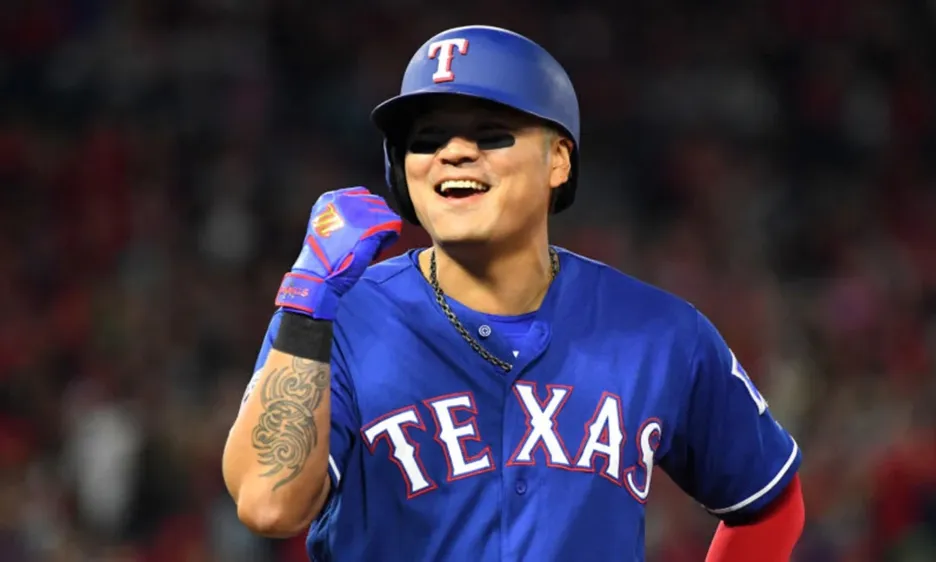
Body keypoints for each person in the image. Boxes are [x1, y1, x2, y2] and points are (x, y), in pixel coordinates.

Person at [222, 24, 806, 561]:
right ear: (401, 172)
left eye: (491, 134)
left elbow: (769, 503)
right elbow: (267, 507)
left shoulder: (659, 332)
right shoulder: (339, 317)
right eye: (427, 140)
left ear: (558, 161)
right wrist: (306, 299)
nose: (454, 153)